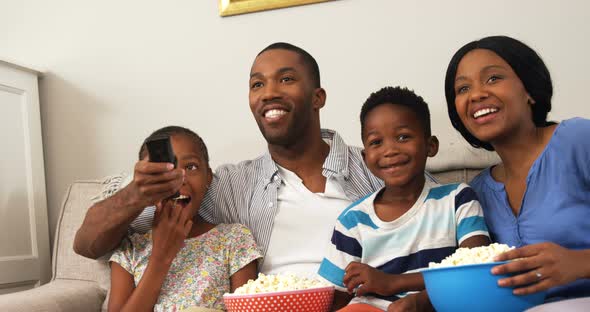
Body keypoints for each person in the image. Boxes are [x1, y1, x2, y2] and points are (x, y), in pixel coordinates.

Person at [74, 43, 419, 277]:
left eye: (285, 79)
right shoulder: (226, 186)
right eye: (257, 84)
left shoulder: (379, 166)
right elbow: (88, 244)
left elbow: (440, 226)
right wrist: (137, 193)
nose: (268, 92)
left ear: (317, 97)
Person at [318, 86, 491, 312]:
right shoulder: (352, 221)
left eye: (403, 137)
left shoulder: (458, 199)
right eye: (376, 142)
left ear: (431, 146)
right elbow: (334, 297)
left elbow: (476, 267)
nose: (389, 150)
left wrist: (394, 283)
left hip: (439, 302)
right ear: (365, 157)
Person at [444, 35, 590, 302]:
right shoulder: (475, 193)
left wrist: (580, 263)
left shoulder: (578, 140)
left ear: (529, 91)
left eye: (493, 78)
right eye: (463, 89)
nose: (476, 94)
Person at [107, 126, 261, 312]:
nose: (179, 179)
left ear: (208, 178)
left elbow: (246, 308)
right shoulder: (131, 249)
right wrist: (160, 257)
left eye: (191, 167)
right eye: (164, 171)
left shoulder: (234, 239)